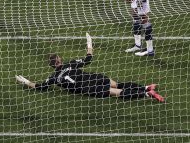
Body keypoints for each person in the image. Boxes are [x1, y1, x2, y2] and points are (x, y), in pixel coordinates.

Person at [15, 33, 164, 102]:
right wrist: (89, 44)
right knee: (118, 84)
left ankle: (147, 93)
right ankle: (145, 88)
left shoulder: (54, 77)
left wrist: (27, 82)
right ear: (59, 60)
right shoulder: (70, 64)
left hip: (88, 87)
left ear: (52, 66)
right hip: (92, 78)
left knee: (118, 92)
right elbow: (88, 58)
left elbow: (41, 86)